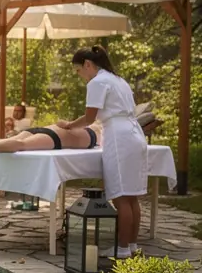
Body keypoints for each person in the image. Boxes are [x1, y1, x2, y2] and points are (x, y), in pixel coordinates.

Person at [61, 45, 147, 258]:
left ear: (88, 64)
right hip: (134, 133)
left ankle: (123, 249)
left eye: (79, 71)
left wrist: (70, 125)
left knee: (120, 197)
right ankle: (132, 245)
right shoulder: (119, 80)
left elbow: (90, 118)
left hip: (120, 138)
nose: (80, 76)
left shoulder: (98, 82)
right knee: (132, 196)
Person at [0, 123, 98, 160]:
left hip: (44, 128)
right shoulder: (95, 134)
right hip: (53, 137)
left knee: (11, 139)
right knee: (22, 145)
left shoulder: (84, 124)